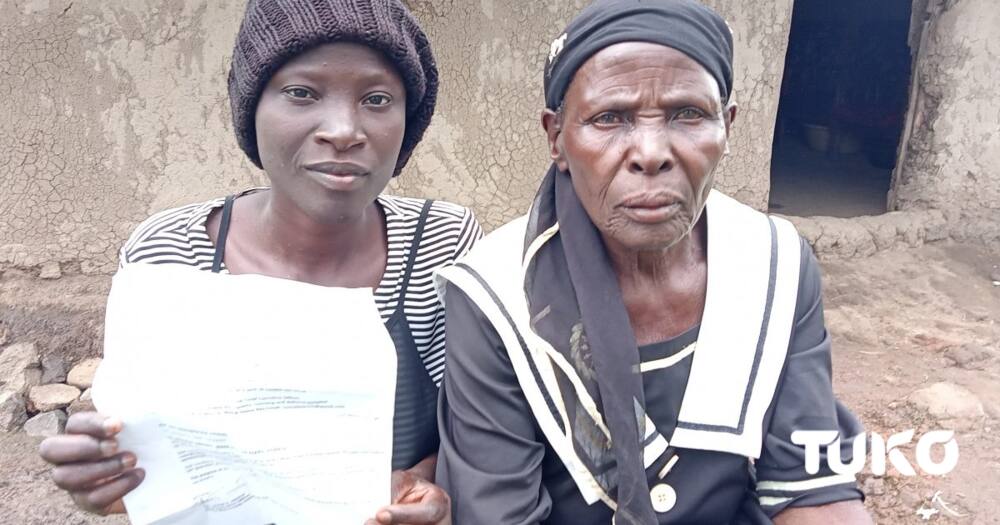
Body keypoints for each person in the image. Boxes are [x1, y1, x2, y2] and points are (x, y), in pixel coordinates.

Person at [38, 1, 481, 524]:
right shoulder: (168, 256)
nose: (342, 129)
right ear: (251, 107)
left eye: (377, 98)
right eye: (301, 93)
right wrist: (106, 478)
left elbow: (477, 429)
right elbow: (144, 465)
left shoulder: (439, 244)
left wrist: (421, 486)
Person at [434, 1, 872, 523]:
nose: (650, 152)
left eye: (687, 114)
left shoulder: (773, 262)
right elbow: (499, 513)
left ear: (727, 127)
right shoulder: (496, 294)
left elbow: (808, 487)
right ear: (557, 137)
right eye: (609, 118)